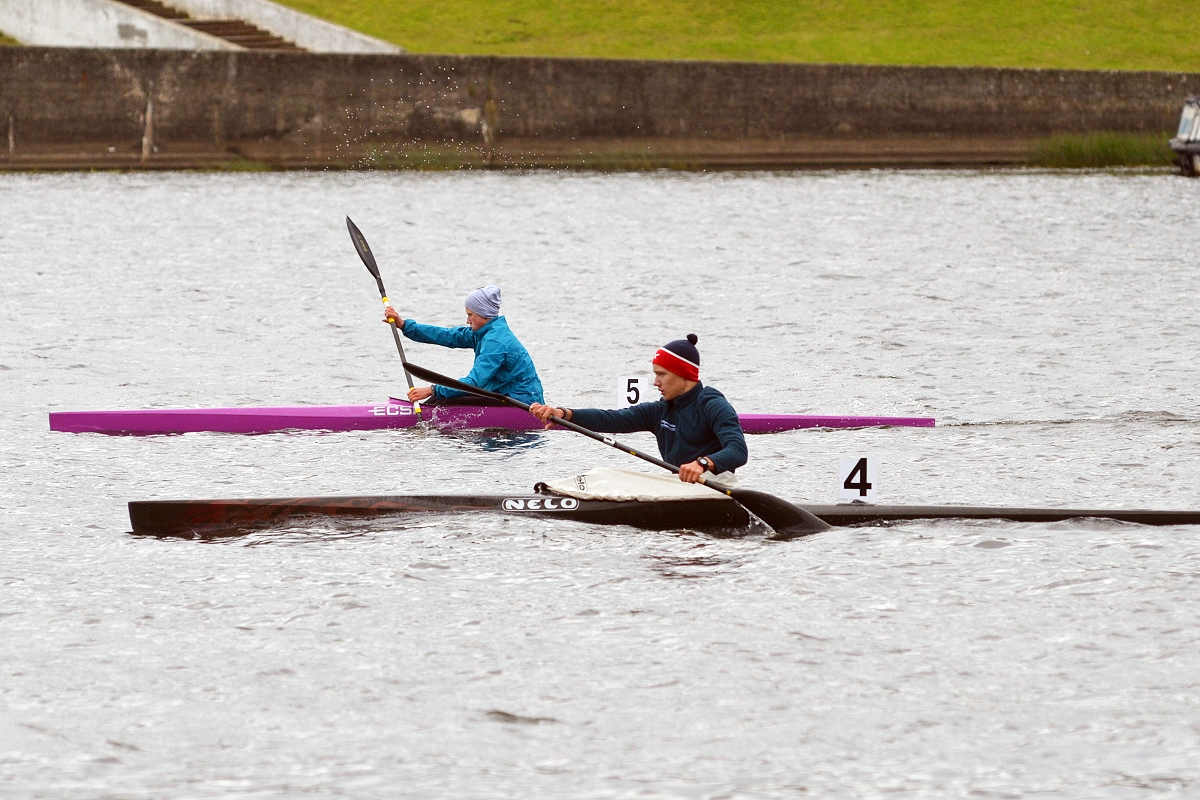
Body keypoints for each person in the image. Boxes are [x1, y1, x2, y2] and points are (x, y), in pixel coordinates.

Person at [530, 334, 747, 484]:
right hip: (680, 485)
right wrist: (563, 414)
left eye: (662, 374)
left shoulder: (712, 405)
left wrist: (703, 463)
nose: (656, 382)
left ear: (684, 375)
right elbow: (612, 419)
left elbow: (738, 450)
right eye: (655, 374)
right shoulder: (661, 411)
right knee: (605, 475)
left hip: (716, 486)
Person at [383, 284, 544, 405]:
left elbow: (473, 383)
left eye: (470, 315)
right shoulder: (484, 331)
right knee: (442, 398)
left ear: (483, 314)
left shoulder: (496, 343)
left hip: (524, 403)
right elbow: (447, 336)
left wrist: (432, 390)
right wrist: (404, 325)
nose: (467, 320)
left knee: (442, 398)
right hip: (505, 394)